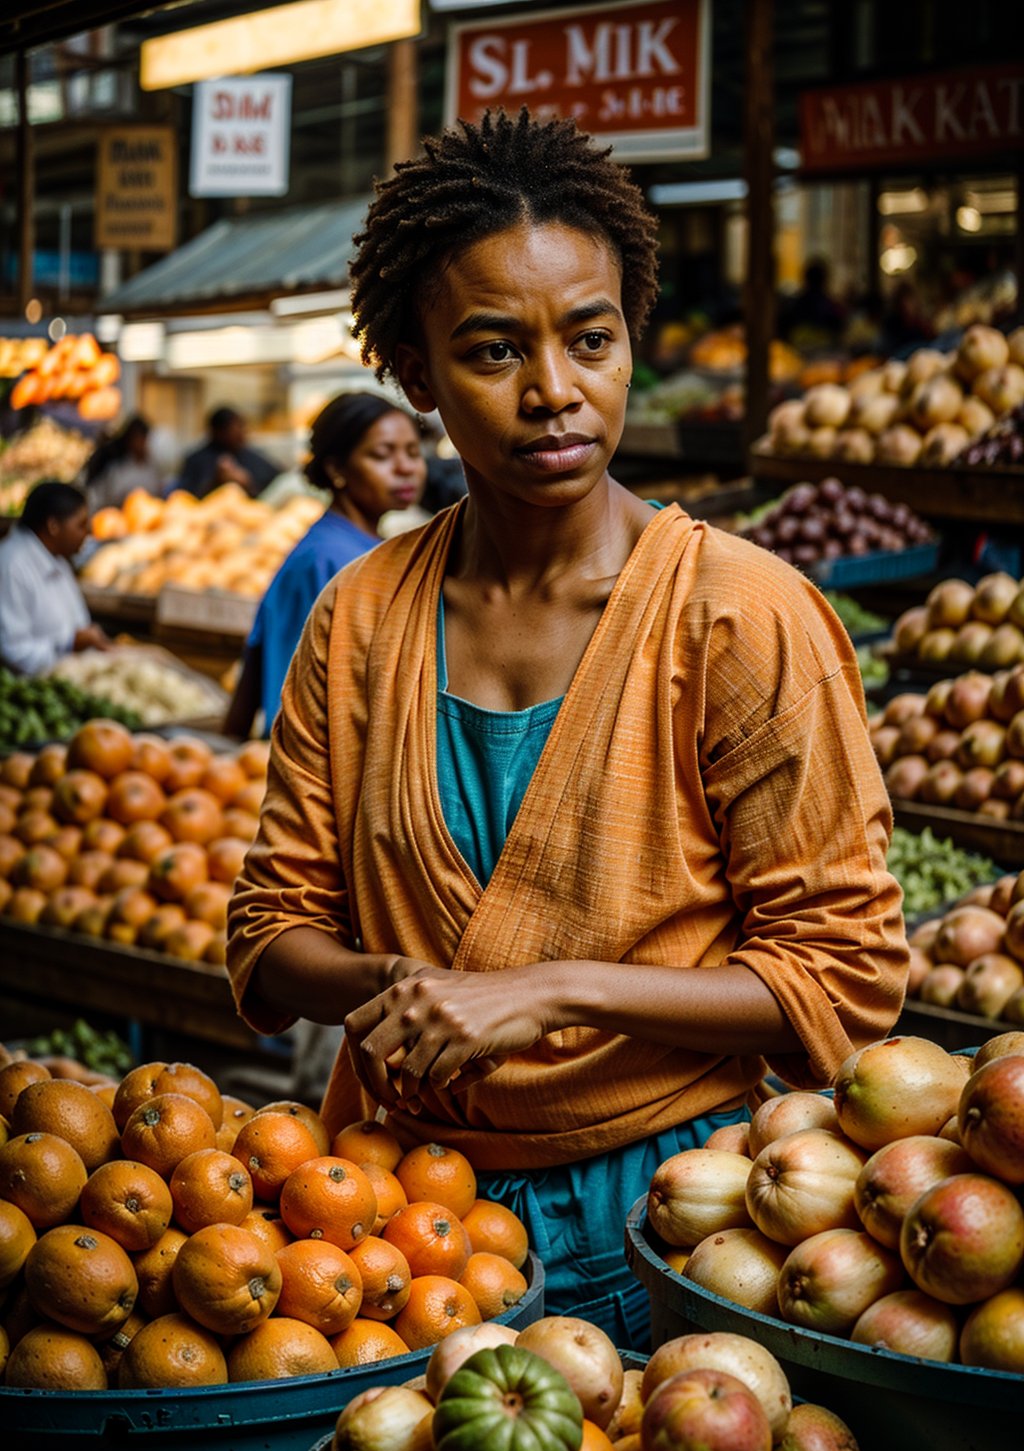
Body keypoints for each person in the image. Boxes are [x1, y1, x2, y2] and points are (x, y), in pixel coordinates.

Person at [226, 111, 909, 1347]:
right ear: (414, 373)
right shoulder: (362, 617)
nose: (555, 392)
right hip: (389, 1229)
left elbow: (842, 976)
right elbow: (270, 937)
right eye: (493, 351)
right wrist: (399, 985)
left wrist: (549, 992)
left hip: (682, 1223)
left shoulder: (739, 616)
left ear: (627, 338)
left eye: (590, 340)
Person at [224, 391, 427, 740]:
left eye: (412, 452)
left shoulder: (359, 548)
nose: (405, 468)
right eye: (382, 454)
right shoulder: (331, 560)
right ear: (336, 469)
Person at [0, 480, 110, 674]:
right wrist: (70, 643)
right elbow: (12, 651)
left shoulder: (57, 557)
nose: (89, 532)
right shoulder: (11, 566)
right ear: (53, 526)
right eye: (81, 525)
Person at [178, 406, 281, 501]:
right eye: (236, 428)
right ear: (218, 431)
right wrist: (216, 481)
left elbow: (274, 485)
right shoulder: (197, 460)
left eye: (242, 427)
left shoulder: (254, 457)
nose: (242, 432)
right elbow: (187, 496)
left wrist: (248, 483)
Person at [83, 415, 163, 511]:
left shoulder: (152, 466)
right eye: (138, 439)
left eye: (144, 439)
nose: (142, 444)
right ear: (130, 440)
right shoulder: (116, 466)